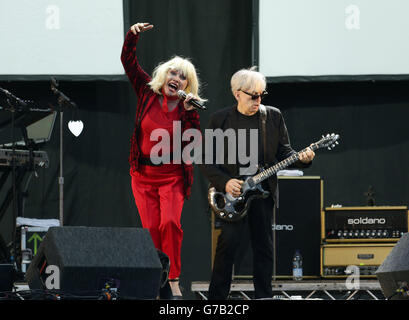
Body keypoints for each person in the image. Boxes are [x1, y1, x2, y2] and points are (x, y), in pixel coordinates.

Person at [199, 67, 315, 300]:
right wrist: (225, 181)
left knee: (264, 248)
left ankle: (264, 297)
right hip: (233, 195)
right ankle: (215, 301)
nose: (258, 100)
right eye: (253, 95)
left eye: (261, 94)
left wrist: (303, 159)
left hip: (263, 193)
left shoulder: (272, 116)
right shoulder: (220, 119)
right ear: (237, 94)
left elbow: (285, 153)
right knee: (227, 246)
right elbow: (205, 159)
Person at [121, 22, 204, 299]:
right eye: (173, 72)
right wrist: (132, 36)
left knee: (170, 224)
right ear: (163, 75)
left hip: (172, 177)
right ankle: (156, 281)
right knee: (151, 229)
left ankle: (174, 278)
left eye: (183, 77)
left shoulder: (186, 108)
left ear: (187, 86)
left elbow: (193, 143)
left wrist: (191, 113)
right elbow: (128, 63)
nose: (176, 78)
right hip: (143, 175)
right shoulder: (146, 93)